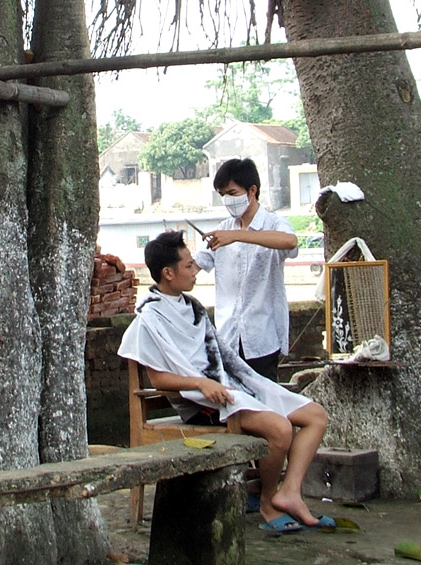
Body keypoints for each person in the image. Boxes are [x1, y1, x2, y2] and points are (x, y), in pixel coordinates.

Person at [118, 231, 332, 533]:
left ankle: (290, 492)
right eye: (190, 265)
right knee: (280, 428)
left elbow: (219, 357)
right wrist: (201, 384)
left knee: (315, 417)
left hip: (229, 386)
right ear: (168, 273)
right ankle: (270, 502)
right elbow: (159, 379)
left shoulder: (191, 306)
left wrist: (234, 380)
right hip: (202, 403)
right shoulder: (149, 318)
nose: (196, 270)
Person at [193, 158, 298, 382]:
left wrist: (239, 235)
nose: (227, 200)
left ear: (252, 191)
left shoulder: (273, 223)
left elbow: (290, 242)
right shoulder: (223, 229)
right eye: (223, 195)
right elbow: (195, 264)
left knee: (265, 405)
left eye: (232, 193)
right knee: (232, 406)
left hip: (262, 337)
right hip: (227, 336)